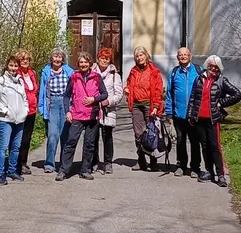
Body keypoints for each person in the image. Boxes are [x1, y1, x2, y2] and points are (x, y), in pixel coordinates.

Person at [186, 55, 241, 188]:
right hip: (200, 119)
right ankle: (209, 172)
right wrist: (190, 115)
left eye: (216, 67)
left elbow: (237, 94)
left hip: (213, 119)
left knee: (215, 147)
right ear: (207, 66)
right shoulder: (199, 79)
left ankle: (220, 174)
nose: (213, 69)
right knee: (205, 146)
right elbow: (193, 98)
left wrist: (221, 103)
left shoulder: (221, 80)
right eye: (211, 66)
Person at [57, 52, 107, 181]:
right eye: (81, 62)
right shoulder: (74, 77)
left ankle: (85, 170)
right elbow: (66, 96)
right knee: (71, 142)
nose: (83, 64)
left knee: (89, 144)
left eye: (85, 62)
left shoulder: (96, 77)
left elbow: (104, 94)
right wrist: (67, 111)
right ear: (78, 64)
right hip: (77, 114)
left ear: (90, 63)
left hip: (92, 115)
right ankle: (63, 170)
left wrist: (94, 99)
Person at [164, 46, 203, 177]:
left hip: (194, 115)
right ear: (177, 57)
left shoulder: (198, 70)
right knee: (180, 141)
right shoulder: (174, 72)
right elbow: (169, 94)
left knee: (194, 141)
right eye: (180, 55)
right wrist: (169, 113)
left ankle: (195, 167)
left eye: (185, 54)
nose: (183, 56)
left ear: (190, 56)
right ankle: (181, 165)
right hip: (179, 114)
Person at [125, 46, 165, 171]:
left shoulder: (154, 71)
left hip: (149, 105)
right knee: (138, 134)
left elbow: (158, 90)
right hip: (136, 105)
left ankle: (153, 161)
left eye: (141, 55)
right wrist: (127, 89)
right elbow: (129, 83)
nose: (139, 58)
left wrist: (156, 106)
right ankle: (141, 160)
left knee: (152, 133)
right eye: (137, 56)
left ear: (146, 56)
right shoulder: (133, 71)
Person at [0, 55, 29, 185]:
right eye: (11, 65)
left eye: (16, 66)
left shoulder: (20, 81)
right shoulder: (1, 81)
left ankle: (12, 170)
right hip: (6, 120)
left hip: (19, 120)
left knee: (16, 147)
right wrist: (5, 111)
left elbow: (24, 99)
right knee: (3, 147)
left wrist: (25, 111)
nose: (13, 68)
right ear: (7, 66)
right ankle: (0, 173)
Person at [37, 49, 73, 173]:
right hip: (51, 104)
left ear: (63, 59)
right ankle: (49, 164)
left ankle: (64, 164)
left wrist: (73, 108)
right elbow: (42, 91)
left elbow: (73, 90)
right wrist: (41, 108)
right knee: (52, 136)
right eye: (55, 57)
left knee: (65, 136)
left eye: (59, 57)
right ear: (51, 58)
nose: (57, 59)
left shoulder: (69, 71)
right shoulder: (46, 72)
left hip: (65, 104)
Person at [92, 47, 123, 175]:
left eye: (107, 58)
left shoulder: (114, 75)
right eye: (102, 58)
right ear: (98, 59)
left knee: (107, 137)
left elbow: (119, 94)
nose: (104, 60)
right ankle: (94, 161)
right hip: (94, 108)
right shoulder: (91, 72)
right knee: (93, 137)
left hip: (108, 110)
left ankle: (108, 162)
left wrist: (109, 101)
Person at [14, 50, 39, 175]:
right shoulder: (15, 74)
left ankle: (23, 162)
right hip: (19, 111)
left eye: (27, 59)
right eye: (22, 59)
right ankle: (15, 164)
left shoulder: (32, 73)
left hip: (31, 111)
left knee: (26, 138)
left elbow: (35, 90)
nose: (25, 61)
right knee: (17, 138)